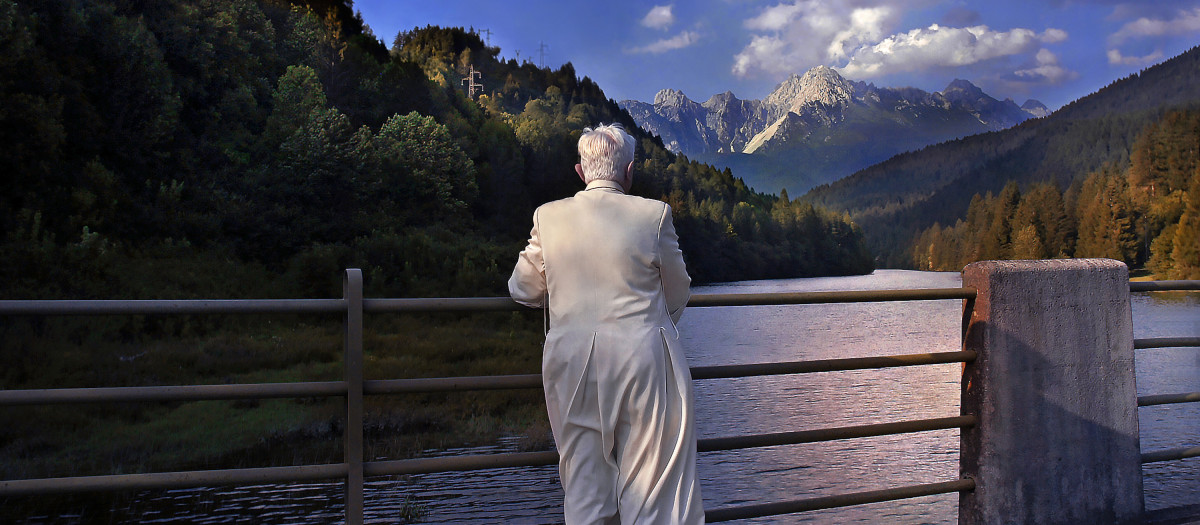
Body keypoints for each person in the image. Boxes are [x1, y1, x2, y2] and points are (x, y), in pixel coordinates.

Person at [508, 123, 703, 524]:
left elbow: (522, 290)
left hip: (571, 362)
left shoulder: (548, 217)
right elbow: (679, 290)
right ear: (629, 170)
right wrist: (652, 323)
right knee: (654, 493)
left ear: (580, 171)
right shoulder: (655, 215)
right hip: (644, 362)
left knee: (585, 490)